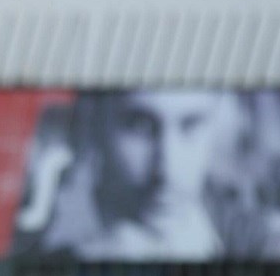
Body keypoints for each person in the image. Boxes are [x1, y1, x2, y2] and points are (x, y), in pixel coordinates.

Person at [29, 90, 248, 261]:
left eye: (190, 125)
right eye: (139, 126)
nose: (166, 171)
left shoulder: (253, 236)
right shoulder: (38, 241)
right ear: (94, 122)